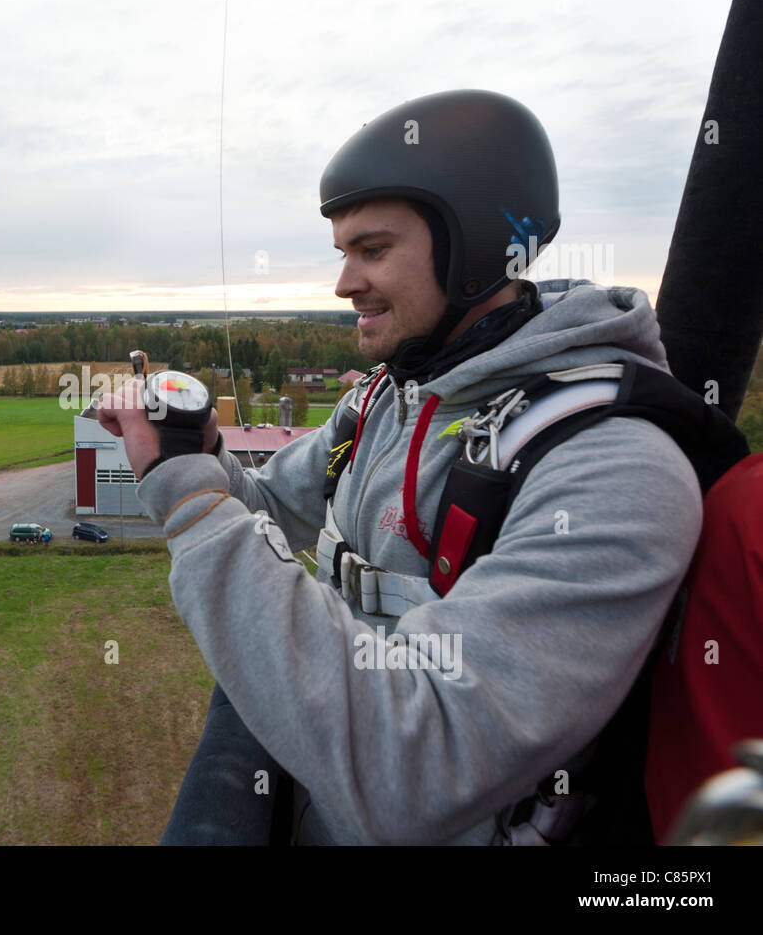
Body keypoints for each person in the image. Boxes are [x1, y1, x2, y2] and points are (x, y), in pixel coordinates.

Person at [97, 89, 705, 844]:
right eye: (343, 253)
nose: (345, 283)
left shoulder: (611, 468)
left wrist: (189, 502)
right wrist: (196, 448)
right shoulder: (387, 402)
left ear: (478, 250)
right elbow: (264, 506)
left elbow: (419, 767)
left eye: (373, 250)